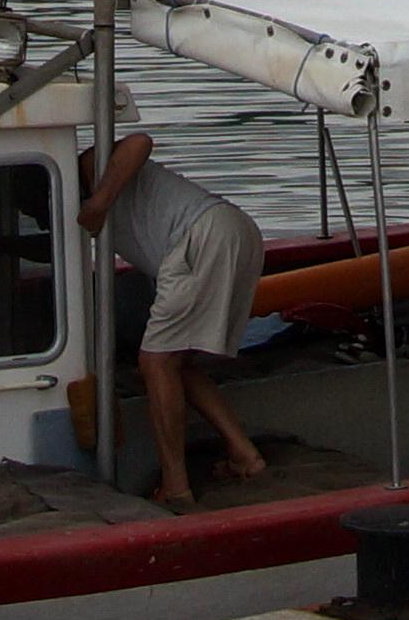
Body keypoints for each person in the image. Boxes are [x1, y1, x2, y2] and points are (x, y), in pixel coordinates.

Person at [76, 134, 269, 508]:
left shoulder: (87, 168)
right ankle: (245, 455)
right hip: (234, 230)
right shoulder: (71, 207)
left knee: (155, 363)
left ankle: (176, 487)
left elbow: (139, 141)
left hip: (198, 236)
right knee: (175, 362)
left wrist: (99, 202)